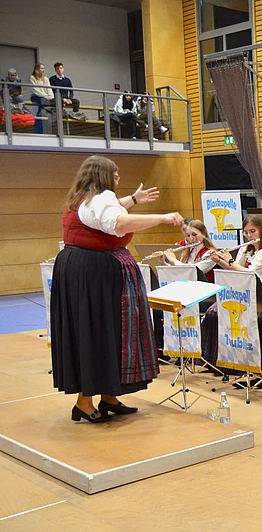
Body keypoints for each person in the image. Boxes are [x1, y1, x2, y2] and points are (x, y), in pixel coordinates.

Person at [51, 155, 180, 423]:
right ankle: (84, 402)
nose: (118, 178)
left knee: (106, 331)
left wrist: (132, 200)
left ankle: (109, 396)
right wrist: (163, 218)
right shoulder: (101, 198)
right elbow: (117, 223)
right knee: (99, 331)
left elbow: (103, 214)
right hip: (95, 274)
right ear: (103, 176)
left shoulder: (83, 198)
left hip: (81, 269)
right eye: (115, 174)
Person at [202, 215, 262, 387]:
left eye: (252, 231)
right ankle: (251, 370)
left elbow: (254, 275)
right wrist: (221, 262)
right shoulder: (246, 249)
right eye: (246, 232)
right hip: (246, 295)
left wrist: (229, 260)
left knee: (258, 322)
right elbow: (236, 270)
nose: (249, 236)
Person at [29, 63, 54, 134]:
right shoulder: (32, 77)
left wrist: (51, 96)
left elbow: (49, 88)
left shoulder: (45, 78)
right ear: (37, 69)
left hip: (46, 97)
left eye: (44, 68)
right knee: (42, 105)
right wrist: (46, 96)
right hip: (36, 96)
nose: (43, 70)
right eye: (42, 68)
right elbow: (35, 90)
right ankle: (39, 130)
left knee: (49, 104)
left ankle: (47, 129)